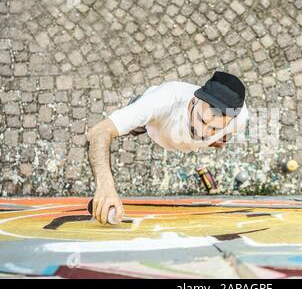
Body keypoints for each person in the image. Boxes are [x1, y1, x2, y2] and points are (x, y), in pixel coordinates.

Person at [86, 71, 249, 224]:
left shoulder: (239, 118)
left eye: (214, 128)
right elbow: (98, 132)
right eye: (202, 120)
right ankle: (134, 112)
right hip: (153, 124)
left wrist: (216, 139)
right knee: (132, 124)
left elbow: (226, 135)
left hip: (171, 132)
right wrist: (105, 186)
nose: (202, 132)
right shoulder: (163, 101)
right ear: (193, 101)